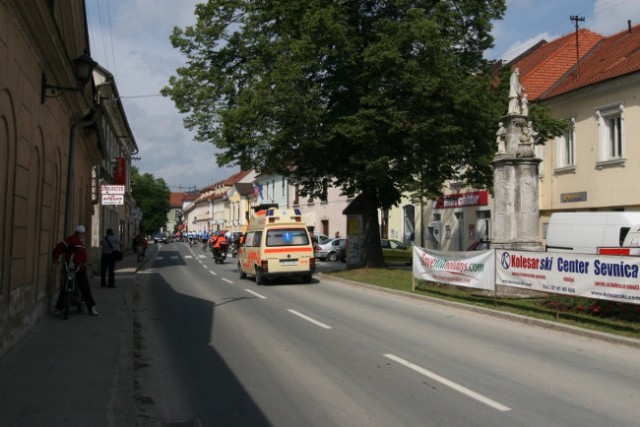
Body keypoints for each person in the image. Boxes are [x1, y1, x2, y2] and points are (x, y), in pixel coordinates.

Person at [52, 225, 98, 316]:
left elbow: (59, 248)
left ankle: (59, 308)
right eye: (83, 233)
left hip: (78, 268)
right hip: (75, 269)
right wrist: (55, 258)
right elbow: (59, 248)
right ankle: (91, 308)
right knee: (84, 289)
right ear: (80, 233)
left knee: (66, 288)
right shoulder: (72, 240)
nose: (83, 235)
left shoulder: (77, 241)